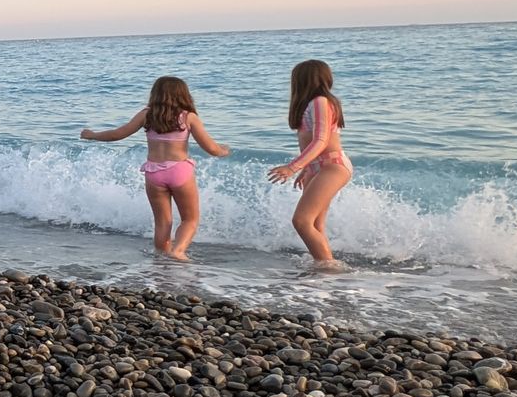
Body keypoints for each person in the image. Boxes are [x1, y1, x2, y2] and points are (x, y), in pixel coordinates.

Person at [81, 75, 232, 260]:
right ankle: (179, 251)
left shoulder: (147, 114)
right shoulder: (188, 117)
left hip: (154, 173)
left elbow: (117, 134)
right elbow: (211, 148)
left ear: (156, 94)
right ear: (184, 95)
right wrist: (224, 151)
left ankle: (162, 258)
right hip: (180, 171)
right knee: (190, 219)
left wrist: (92, 135)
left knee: (162, 222)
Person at [267, 59, 351, 267]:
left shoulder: (320, 101)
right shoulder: (312, 104)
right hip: (318, 166)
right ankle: (324, 266)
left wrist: (292, 167)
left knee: (302, 221)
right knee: (315, 223)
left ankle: (328, 268)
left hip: (333, 165)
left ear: (301, 81)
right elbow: (311, 142)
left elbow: (321, 140)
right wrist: (307, 168)